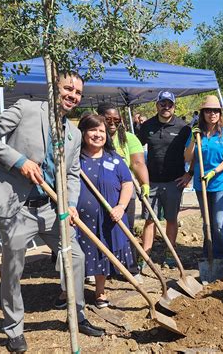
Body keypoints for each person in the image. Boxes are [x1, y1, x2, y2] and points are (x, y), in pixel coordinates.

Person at [0, 73, 105, 352]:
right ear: (53, 88)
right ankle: (14, 329)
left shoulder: (72, 133)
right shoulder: (26, 109)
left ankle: (77, 314)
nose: (73, 95)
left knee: (76, 257)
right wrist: (18, 160)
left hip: (51, 209)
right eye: (68, 88)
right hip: (16, 207)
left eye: (78, 92)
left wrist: (70, 203)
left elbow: (72, 174)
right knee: (12, 270)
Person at [76, 114, 135, 308]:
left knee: (103, 255)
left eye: (101, 131)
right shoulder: (74, 159)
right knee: (75, 255)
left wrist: (121, 206)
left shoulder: (115, 160)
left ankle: (100, 292)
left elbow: (127, 183)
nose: (98, 135)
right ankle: (68, 292)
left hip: (108, 218)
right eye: (93, 130)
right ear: (83, 133)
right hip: (78, 219)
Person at [137, 91, 191, 268]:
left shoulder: (183, 128)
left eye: (169, 104)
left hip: (174, 182)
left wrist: (189, 173)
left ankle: (170, 252)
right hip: (151, 182)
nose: (166, 107)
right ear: (157, 105)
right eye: (163, 103)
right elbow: (136, 150)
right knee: (150, 219)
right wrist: (140, 177)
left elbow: (194, 153)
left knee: (171, 218)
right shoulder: (147, 126)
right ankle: (146, 254)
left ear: (174, 106)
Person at [97, 103, 149, 280]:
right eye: (107, 119)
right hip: (99, 191)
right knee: (101, 228)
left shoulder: (129, 138)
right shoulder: (95, 137)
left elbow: (137, 163)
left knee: (126, 229)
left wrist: (145, 184)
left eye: (116, 120)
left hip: (125, 190)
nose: (112, 123)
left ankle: (131, 267)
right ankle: (103, 268)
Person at [184, 95, 223, 260]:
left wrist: (214, 171)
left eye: (215, 111)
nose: (212, 114)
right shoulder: (197, 134)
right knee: (207, 222)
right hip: (202, 185)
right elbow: (187, 157)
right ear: (203, 113)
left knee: (218, 223)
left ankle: (222, 257)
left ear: (220, 114)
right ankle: (209, 254)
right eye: (208, 111)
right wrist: (193, 139)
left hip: (220, 184)